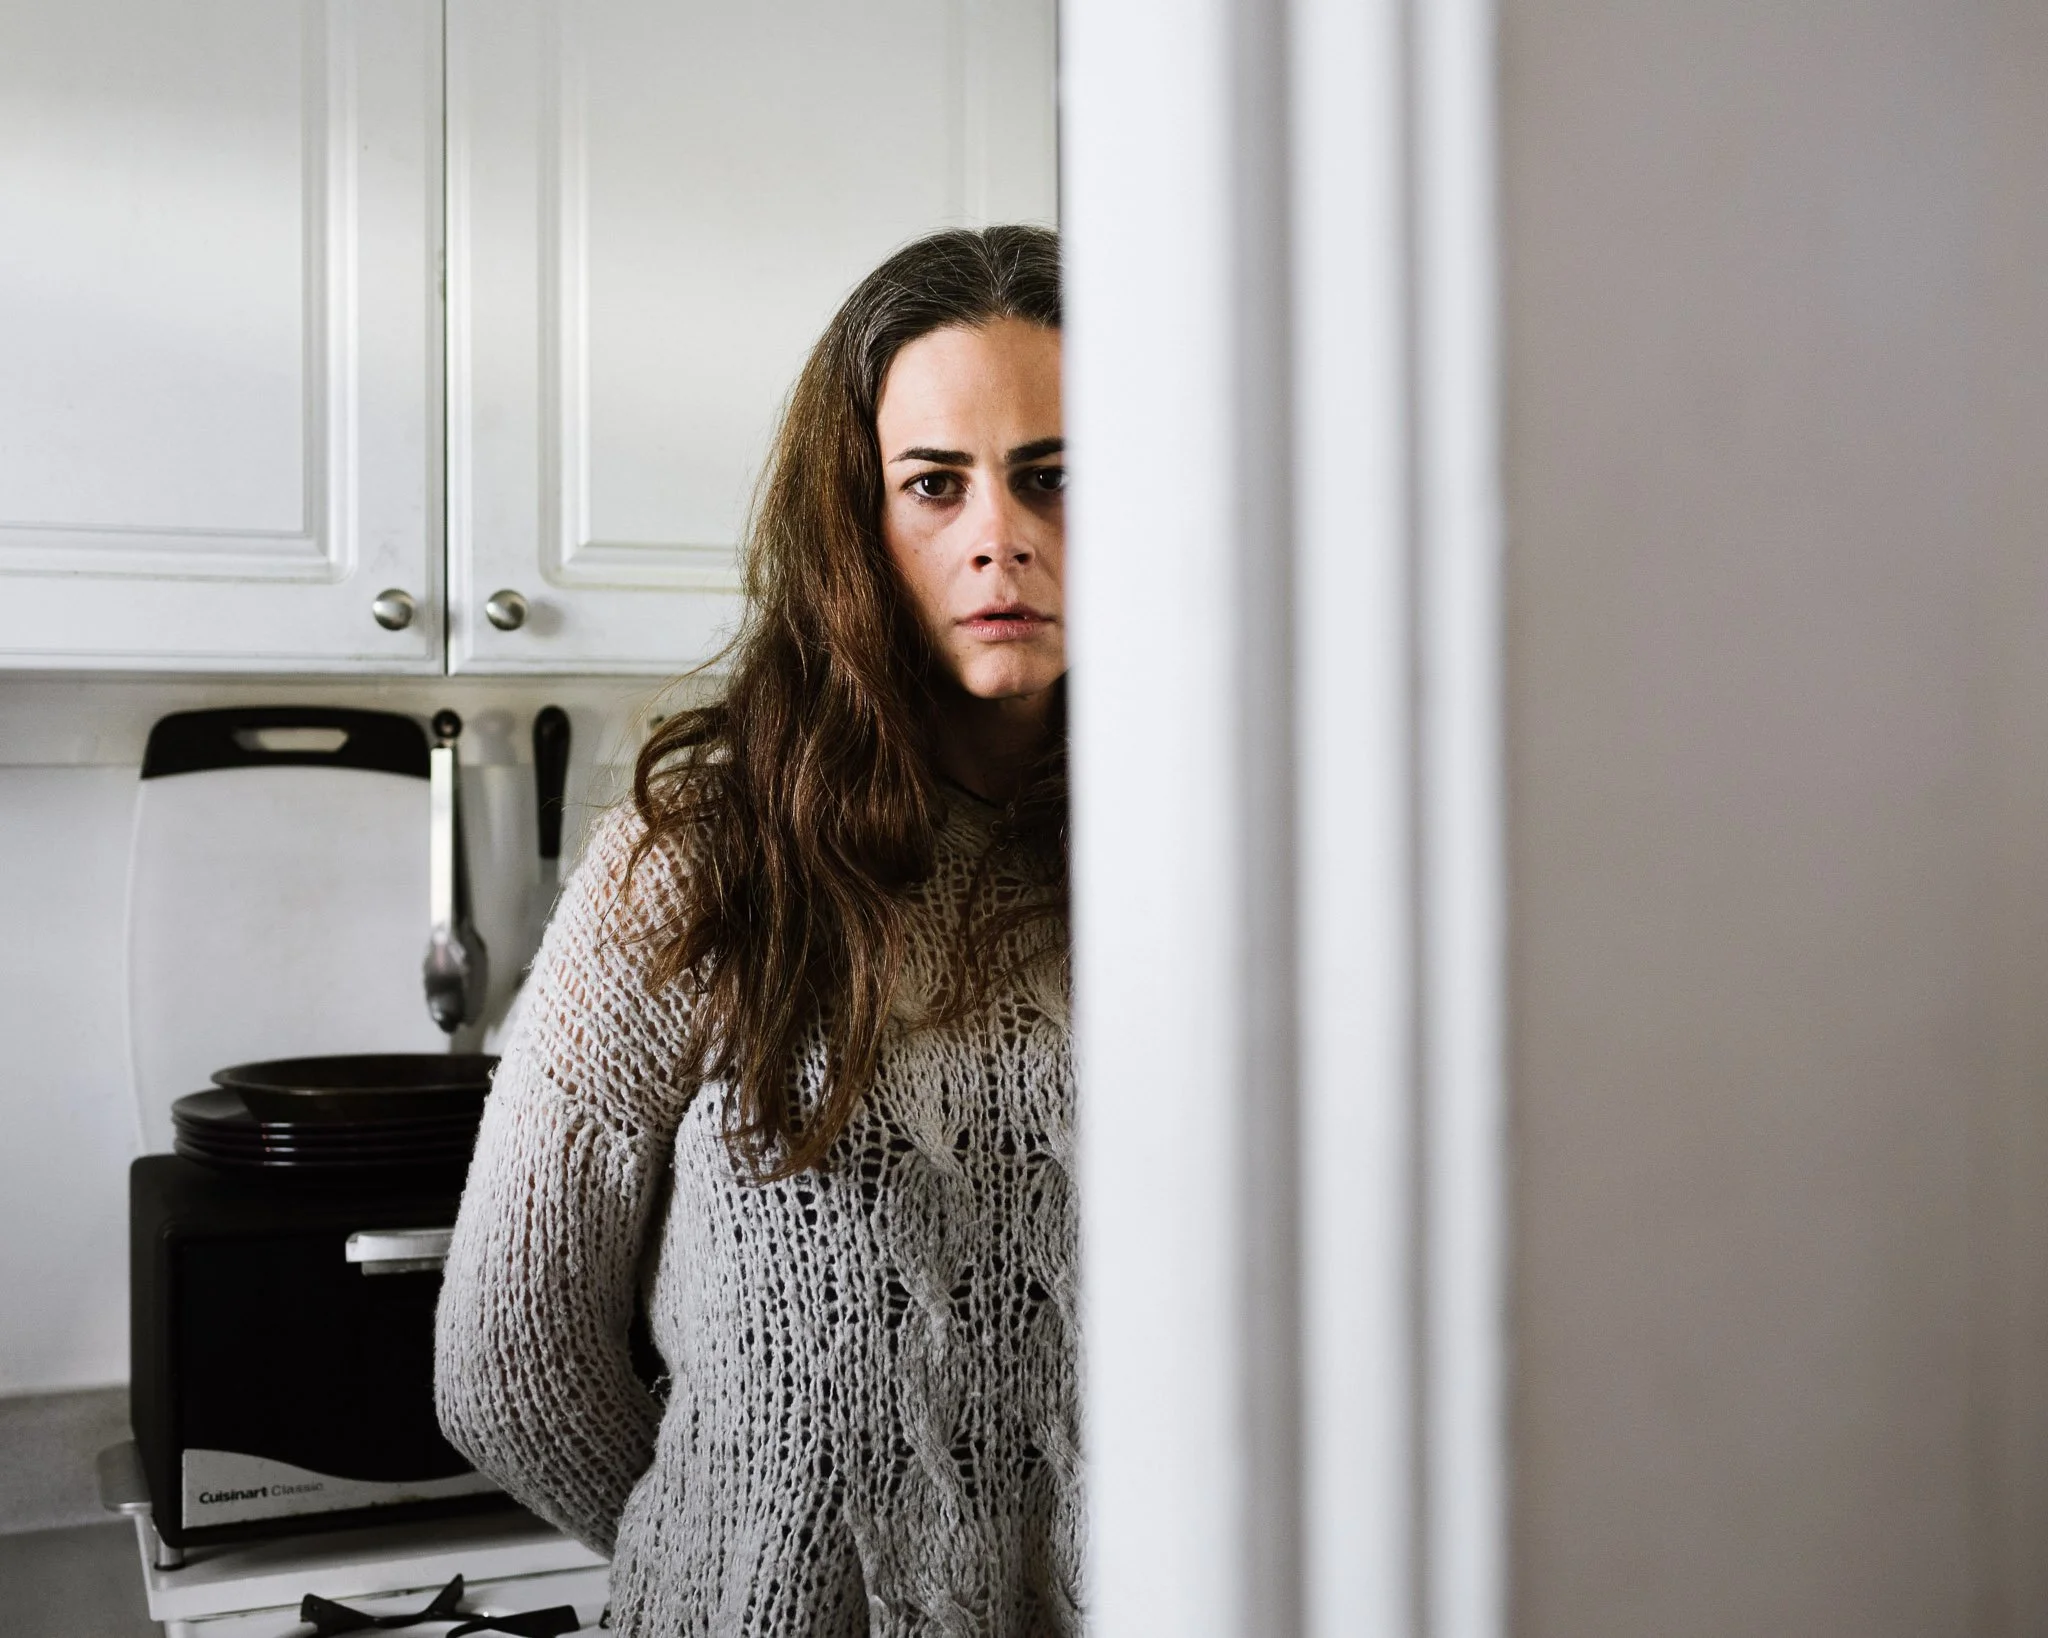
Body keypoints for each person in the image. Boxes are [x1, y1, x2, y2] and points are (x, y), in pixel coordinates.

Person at [434, 225, 1078, 1636]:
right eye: (934, 484)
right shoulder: (698, 864)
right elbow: (508, 1363)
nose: (1000, 534)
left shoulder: (1202, 867)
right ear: (857, 517)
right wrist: (730, 1547)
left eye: (1053, 475)